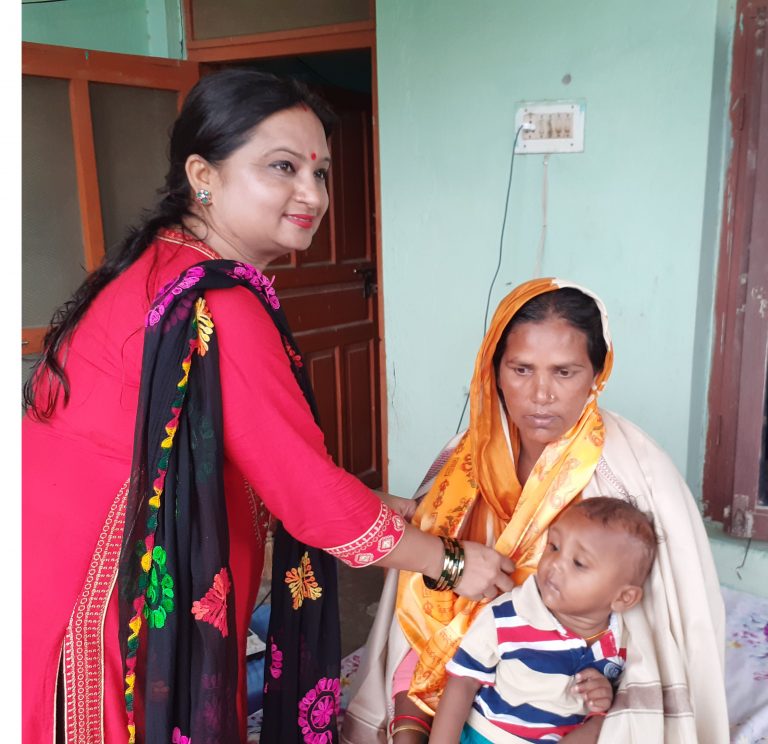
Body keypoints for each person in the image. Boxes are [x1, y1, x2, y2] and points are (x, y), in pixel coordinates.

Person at [21, 69, 515, 744]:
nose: (312, 194)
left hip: (49, 550)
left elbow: (241, 448)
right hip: (109, 584)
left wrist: (378, 503)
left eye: (321, 173)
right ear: (203, 174)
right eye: (283, 167)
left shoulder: (164, 265)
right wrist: (453, 562)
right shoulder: (219, 303)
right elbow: (309, 498)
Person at [341, 278, 728, 744]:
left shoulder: (635, 473)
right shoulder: (467, 455)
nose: (541, 394)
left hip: (569, 678)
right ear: (494, 369)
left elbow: (654, 626)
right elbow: (424, 597)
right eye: (521, 369)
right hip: (472, 656)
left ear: (597, 373)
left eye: (565, 372)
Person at [428, 497, 657, 743]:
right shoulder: (509, 614)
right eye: (553, 546)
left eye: (579, 563)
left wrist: (604, 696)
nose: (555, 564)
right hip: (487, 735)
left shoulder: (624, 641)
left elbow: (618, 708)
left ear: (623, 598)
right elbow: (463, 682)